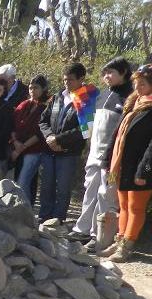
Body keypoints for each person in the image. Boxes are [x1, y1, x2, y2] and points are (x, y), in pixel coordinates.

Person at [67, 57, 134, 251]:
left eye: (111, 72)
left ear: (123, 73)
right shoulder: (103, 95)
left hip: (113, 158)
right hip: (94, 154)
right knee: (90, 190)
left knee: (106, 195)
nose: (106, 76)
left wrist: (114, 156)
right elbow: (92, 126)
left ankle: (99, 236)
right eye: (104, 73)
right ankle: (82, 229)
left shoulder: (130, 96)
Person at [99, 64, 152, 262]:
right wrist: (107, 157)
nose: (137, 87)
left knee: (136, 207)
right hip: (124, 164)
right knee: (123, 205)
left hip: (142, 167)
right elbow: (118, 133)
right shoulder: (133, 103)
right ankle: (120, 238)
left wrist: (144, 171)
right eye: (136, 83)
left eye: (143, 84)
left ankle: (127, 245)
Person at [38, 62, 97, 222]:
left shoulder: (86, 99)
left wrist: (59, 140)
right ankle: (44, 217)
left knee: (63, 189)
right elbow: (43, 120)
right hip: (49, 150)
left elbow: (85, 129)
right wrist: (50, 137)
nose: (67, 83)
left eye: (70, 80)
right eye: (65, 79)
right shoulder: (57, 97)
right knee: (46, 186)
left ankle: (58, 220)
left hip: (69, 153)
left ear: (81, 79)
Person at [13, 75, 51, 205]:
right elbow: (12, 124)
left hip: (35, 149)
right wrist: (16, 143)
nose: (32, 91)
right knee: (18, 179)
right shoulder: (24, 105)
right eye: (30, 88)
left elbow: (40, 132)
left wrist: (22, 147)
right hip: (18, 147)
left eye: (36, 88)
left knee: (23, 181)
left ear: (43, 89)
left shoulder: (46, 107)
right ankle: (23, 207)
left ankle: (24, 209)